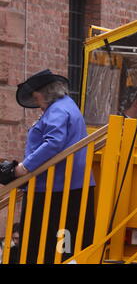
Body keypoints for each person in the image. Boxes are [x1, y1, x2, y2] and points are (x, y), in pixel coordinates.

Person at [14, 69, 95, 264]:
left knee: (38, 246)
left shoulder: (58, 109)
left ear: (45, 93)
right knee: (64, 245)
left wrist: (25, 167)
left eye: (37, 99)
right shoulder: (67, 106)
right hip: (64, 185)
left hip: (54, 188)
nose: (37, 105)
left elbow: (53, 142)